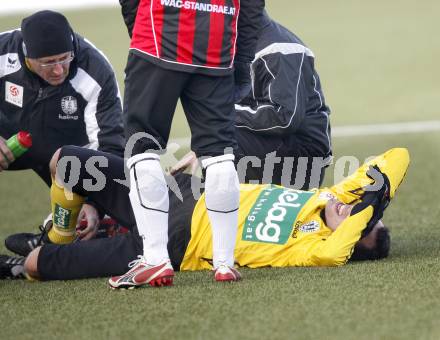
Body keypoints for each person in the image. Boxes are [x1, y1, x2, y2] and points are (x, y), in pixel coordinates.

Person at [0, 146, 410, 284]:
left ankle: (24, 263)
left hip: (176, 244)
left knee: (37, 268)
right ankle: (59, 235)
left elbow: (345, 238)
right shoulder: (331, 195)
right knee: (65, 162)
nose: (351, 208)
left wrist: (366, 214)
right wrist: (376, 197)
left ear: (353, 237)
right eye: (361, 208)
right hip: (182, 191)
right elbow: (397, 158)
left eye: (359, 221)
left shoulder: (319, 248)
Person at [117, 0, 265, 285]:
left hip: (158, 36)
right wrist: (242, 57)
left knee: (141, 145)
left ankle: (155, 259)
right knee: (219, 152)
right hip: (216, 46)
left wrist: (141, 31)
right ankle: (224, 262)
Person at [0, 10, 125, 248]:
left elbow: (110, 145)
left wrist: (93, 203)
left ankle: (54, 239)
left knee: (92, 224)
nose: (58, 70)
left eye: (64, 59)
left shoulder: (95, 69)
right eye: (48, 63)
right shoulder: (3, 51)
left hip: (65, 156)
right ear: (27, 54)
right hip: (10, 142)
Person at [171, 11, 332, 189]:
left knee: (219, 142)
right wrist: (203, 147)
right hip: (273, 148)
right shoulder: (233, 46)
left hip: (304, 157)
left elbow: (284, 118)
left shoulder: (280, 48)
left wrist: (217, 128)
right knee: (215, 143)